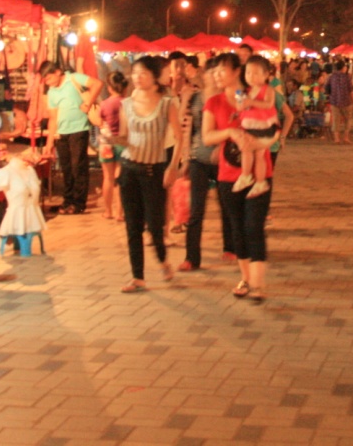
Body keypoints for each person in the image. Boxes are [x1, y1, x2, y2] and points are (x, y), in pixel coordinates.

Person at [202, 53, 273, 303]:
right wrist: (230, 131)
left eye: (222, 70)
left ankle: (259, 284)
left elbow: (273, 127)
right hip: (228, 176)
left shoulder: (256, 94)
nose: (217, 75)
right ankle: (246, 278)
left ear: (237, 71)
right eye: (215, 71)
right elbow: (207, 137)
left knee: (254, 226)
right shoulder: (214, 102)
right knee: (237, 229)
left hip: (259, 174)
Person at [111, 55, 184, 293]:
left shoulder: (166, 103)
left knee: (154, 225)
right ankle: (137, 277)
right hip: (130, 169)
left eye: (142, 73)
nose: (137, 77)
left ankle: (163, 260)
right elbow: (124, 137)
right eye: (134, 73)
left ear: (154, 77)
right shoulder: (126, 104)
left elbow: (179, 137)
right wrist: (110, 138)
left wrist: (173, 167)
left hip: (154, 171)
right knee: (132, 226)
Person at [182, 54, 231, 271]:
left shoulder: (231, 97)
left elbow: (240, 124)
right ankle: (191, 258)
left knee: (227, 205)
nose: (213, 76)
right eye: (210, 71)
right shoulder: (195, 98)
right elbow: (187, 131)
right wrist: (184, 158)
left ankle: (230, 248)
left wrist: (222, 147)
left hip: (224, 160)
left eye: (217, 72)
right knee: (196, 210)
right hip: (198, 159)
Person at [39, 60, 101, 216]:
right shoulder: (52, 92)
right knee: (66, 168)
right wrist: (49, 142)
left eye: (48, 78)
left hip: (79, 129)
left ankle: (79, 203)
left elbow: (97, 84)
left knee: (78, 166)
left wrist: (88, 103)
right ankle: (68, 201)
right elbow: (53, 118)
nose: (47, 82)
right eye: (45, 79)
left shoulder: (74, 78)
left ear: (57, 72)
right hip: (62, 133)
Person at [233, 55, 279, 198]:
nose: (251, 76)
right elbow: (240, 107)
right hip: (250, 125)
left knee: (249, 151)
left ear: (266, 74)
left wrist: (251, 103)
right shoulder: (245, 91)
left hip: (264, 127)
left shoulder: (268, 90)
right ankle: (258, 180)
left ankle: (249, 176)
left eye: (255, 73)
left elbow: (268, 105)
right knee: (256, 154)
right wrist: (239, 106)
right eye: (248, 73)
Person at [96, 72, 128, 221]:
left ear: (109, 87)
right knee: (119, 178)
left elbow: (98, 121)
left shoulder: (104, 104)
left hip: (106, 144)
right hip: (122, 143)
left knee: (107, 178)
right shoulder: (128, 102)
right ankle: (119, 213)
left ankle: (108, 210)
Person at [325, 60, 353, 145]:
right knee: (348, 119)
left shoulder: (331, 77)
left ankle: (336, 138)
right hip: (346, 101)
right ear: (343, 68)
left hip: (334, 101)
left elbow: (327, 88)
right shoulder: (347, 77)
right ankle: (345, 137)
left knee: (336, 120)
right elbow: (351, 91)